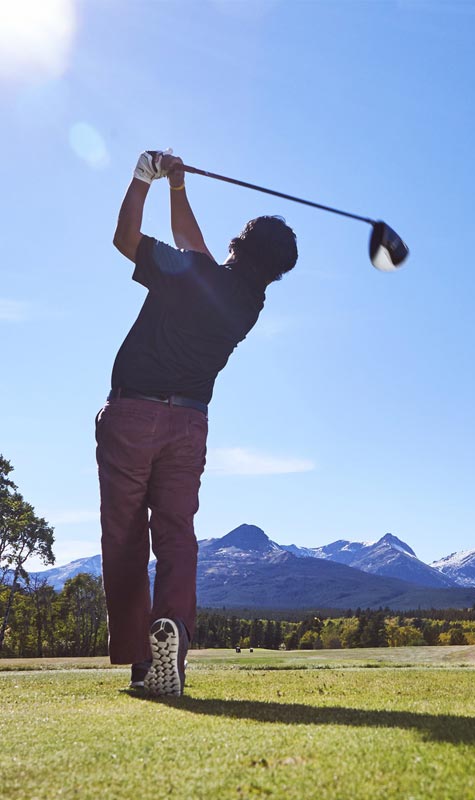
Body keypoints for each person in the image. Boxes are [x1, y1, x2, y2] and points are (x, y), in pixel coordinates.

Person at [96, 150, 298, 696]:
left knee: (124, 538)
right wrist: (177, 186)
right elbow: (193, 247)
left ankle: (142, 657)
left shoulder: (197, 274)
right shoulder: (247, 303)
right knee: (177, 539)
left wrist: (144, 178)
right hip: (190, 425)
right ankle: (173, 647)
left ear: (239, 245)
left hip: (133, 414)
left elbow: (125, 237)